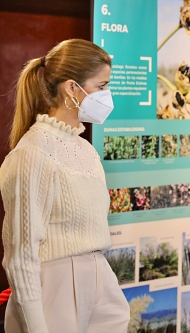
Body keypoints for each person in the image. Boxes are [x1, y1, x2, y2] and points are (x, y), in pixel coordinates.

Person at [0, 39, 130, 333]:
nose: (107, 95)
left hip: (98, 280)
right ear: (72, 88)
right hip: (54, 289)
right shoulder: (31, 153)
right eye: (102, 86)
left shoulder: (85, 149)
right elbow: (21, 257)